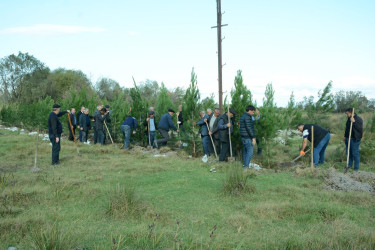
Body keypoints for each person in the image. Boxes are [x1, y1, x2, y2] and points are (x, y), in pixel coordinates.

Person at [344, 108, 363, 173]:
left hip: (355, 139)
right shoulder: (348, 119)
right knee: (348, 153)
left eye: (347, 113)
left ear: (351, 113)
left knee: (355, 153)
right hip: (348, 138)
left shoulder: (358, 119)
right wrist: (345, 136)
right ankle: (349, 165)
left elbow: (359, 129)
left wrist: (354, 122)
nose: (346, 115)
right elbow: (347, 129)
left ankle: (356, 168)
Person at [240, 105, 257, 169]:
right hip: (247, 137)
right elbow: (249, 128)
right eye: (253, 112)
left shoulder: (243, 116)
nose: (253, 113)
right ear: (249, 111)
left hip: (243, 137)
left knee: (245, 152)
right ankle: (246, 167)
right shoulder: (247, 117)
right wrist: (253, 137)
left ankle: (244, 165)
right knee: (250, 152)